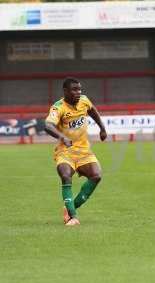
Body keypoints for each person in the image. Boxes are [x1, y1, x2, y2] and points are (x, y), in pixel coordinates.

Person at [45, 77, 107, 226]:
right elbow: (48, 125)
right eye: (74, 90)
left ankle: (70, 207)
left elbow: (93, 111)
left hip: (84, 151)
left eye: (79, 89)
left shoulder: (84, 101)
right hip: (65, 152)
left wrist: (102, 128)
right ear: (65, 91)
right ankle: (73, 217)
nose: (78, 92)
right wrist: (62, 137)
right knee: (66, 176)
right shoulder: (58, 107)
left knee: (96, 176)